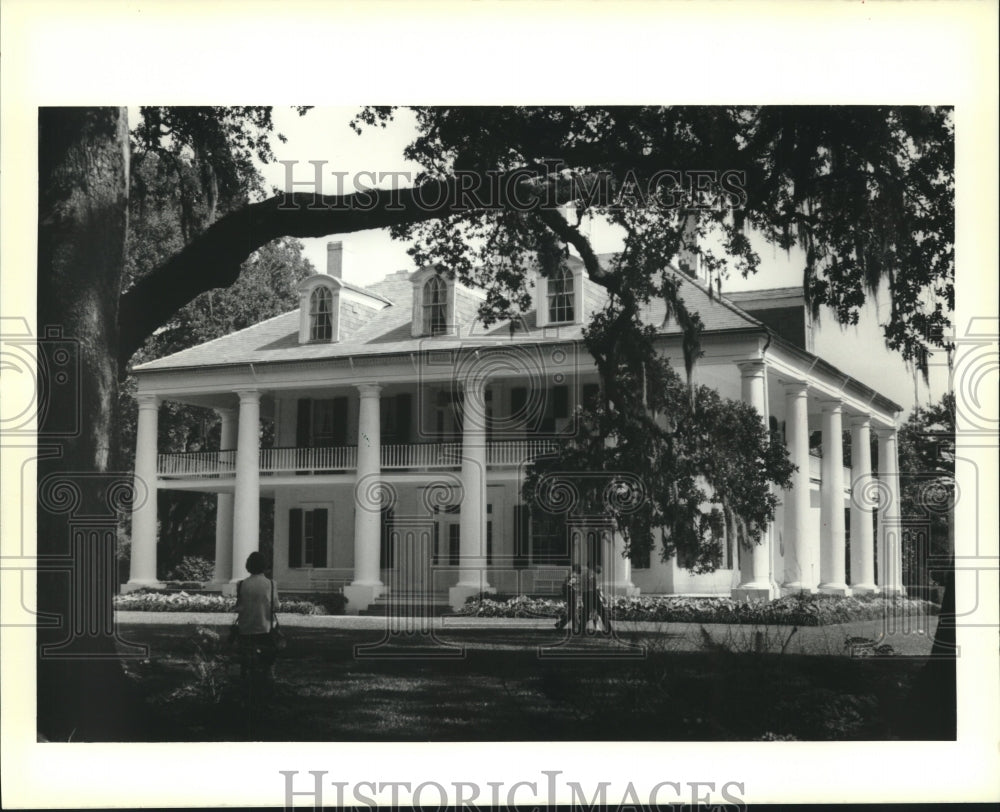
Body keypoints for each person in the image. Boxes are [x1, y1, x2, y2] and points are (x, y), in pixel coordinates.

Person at [234, 552, 279, 689]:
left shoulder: (241, 584)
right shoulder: (271, 584)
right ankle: (269, 676)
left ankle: (244, 678)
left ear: (248, 566)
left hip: (245, 627)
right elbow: (276, 606)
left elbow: (238, 606)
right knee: (269, 655)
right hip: (265, 627)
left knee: (245, 657)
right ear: (265, 566)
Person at [554, 564, 581, 631]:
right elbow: (569, 584)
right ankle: (576, 626)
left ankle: (560, 624)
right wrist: (573, 590)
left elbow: (565, 585)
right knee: (574, 611)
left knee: (572, 611)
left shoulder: (571, 574)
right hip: (572, 593)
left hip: (569, 593)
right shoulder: (574, 575)